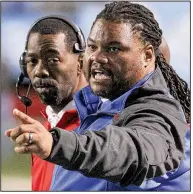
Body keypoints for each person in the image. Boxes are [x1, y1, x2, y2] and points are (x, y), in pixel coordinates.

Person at [5, 2, 190, 191]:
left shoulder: (158, 115)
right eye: (92, 47)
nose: (96, 57)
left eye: (113, 48)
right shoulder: (95, 111)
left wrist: (56, 144)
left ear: (148, 56)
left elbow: (130, 150)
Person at [9, 16, 89, 191]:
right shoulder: (43, 132)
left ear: (81, 63)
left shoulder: (105, 124)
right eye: (32, 61)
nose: (40, 71)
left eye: (53, 60)